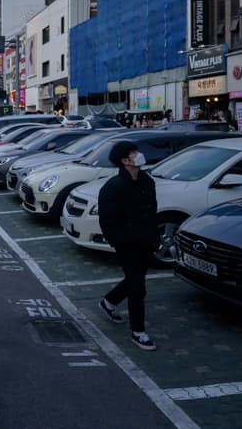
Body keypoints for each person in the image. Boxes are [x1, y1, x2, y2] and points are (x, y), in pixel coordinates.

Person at [97, 141, 158, 351]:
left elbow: (152, 212)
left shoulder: (147, 181)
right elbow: (107, 221)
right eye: (134, 153)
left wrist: (154, 238)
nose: (139, 155)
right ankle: (138, 331)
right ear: (125, 161)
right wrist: (120, 241)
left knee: (137, 277)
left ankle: (109, 301)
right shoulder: (113, 187)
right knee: (137, 287)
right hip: (127, 244)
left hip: (146, 241)